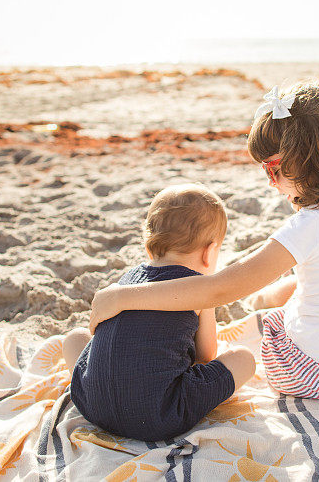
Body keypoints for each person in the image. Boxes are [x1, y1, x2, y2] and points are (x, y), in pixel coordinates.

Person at [89, 83, 319, 402]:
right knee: (305, 285)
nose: (271, 183)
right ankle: (286, 291)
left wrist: (121, 297)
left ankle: (275, 298)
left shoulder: (309, 226)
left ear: (306, 163)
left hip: (312, 377)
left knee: (271, 316)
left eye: (273, 170)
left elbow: (218, 289)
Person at [64, 184, 255, 441]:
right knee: (244, 358)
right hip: (158, 416)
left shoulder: (127, 280)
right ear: (210, 253)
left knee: (74, 337)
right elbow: (206, 355)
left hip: (94, 406)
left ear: (149, 246)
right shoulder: (199, 290)